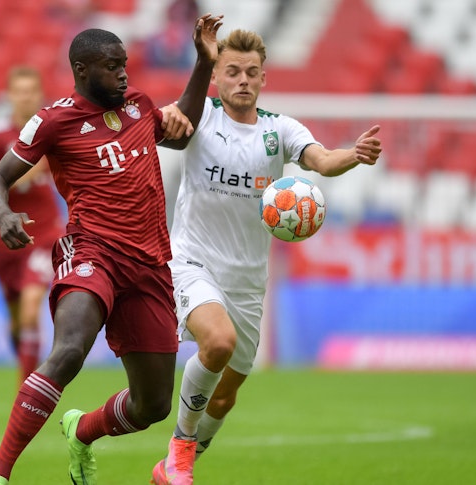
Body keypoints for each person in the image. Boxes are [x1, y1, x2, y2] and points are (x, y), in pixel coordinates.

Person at [0, 13, 224, 485]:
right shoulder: (52, 120)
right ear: (83, 70)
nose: (124, 73)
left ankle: (82, 429)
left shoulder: (140, 106)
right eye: (113, 66)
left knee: (152, 406)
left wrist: (203, 63)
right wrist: (3, 214)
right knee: (69, 350)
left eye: (125, 64)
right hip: (92, 251)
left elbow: (184, 128)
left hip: (150, 264)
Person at [150, 29, 383, 484]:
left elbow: (320, 161)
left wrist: (353, 154)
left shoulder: (281, 129)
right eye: (232, 71)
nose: (242, 80)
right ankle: (179, 447)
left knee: (223, 398)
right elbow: (168, 123)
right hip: (193, 260)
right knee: (217, 343)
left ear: (263, 78)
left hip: (248, 280)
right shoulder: (201, 115)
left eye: (251, 73)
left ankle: (178, 463)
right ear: (216, 74)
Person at [0, 66, 65, 388]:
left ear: (39, 95)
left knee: (29, 309)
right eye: (20, 91)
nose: (26, 97)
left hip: (44, 232)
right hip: (6, 237)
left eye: (31, 91)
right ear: (10, 95)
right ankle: (24, 360)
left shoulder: (51, 132)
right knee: (15, 321)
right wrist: (24, 174)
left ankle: (26, 394)